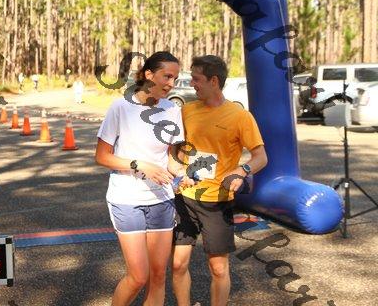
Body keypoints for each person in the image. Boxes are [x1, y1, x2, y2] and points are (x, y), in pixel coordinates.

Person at [171, 55, 268, 306]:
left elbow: (261, 157)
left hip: (217, 202)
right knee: (178, 264)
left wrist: (241, 170)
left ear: (214, 81)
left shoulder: (240, 116)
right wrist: (178, 169)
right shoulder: (186, 110)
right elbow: (175, 150)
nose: (192, 84)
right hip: (185, 198)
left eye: (196, 79)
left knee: (218, 268)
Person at [95, 51, 188, 306]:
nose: (171, 83)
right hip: (127, 199)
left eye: (175, 78)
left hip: (161, 199)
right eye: (167, 76)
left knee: (158, 276)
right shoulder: (120, 107)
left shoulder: (172, 109)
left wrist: (182, 173)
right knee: (138, 276)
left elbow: (172, 158)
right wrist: (140, 165)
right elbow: (102, 157)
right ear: (148, 74)